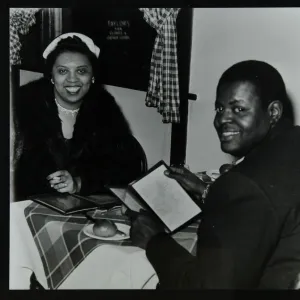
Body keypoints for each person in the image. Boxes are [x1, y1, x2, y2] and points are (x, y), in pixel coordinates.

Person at [130, 60, 300, 289]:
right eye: (220, 108)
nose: (222, 120)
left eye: (239, 109)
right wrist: (207, 190)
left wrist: (154, 241)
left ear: (273, 112)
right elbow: (270, 208)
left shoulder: (242, 184)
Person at [14, 32, 145, 200]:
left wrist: (80, 182)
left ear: (93, 77)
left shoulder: (105, 108)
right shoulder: (22, 105)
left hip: (87, 206)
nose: (72, 80)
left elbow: (125, 168)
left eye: (81, 71)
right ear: (51, 76)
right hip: (26, 205)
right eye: (62, 71)